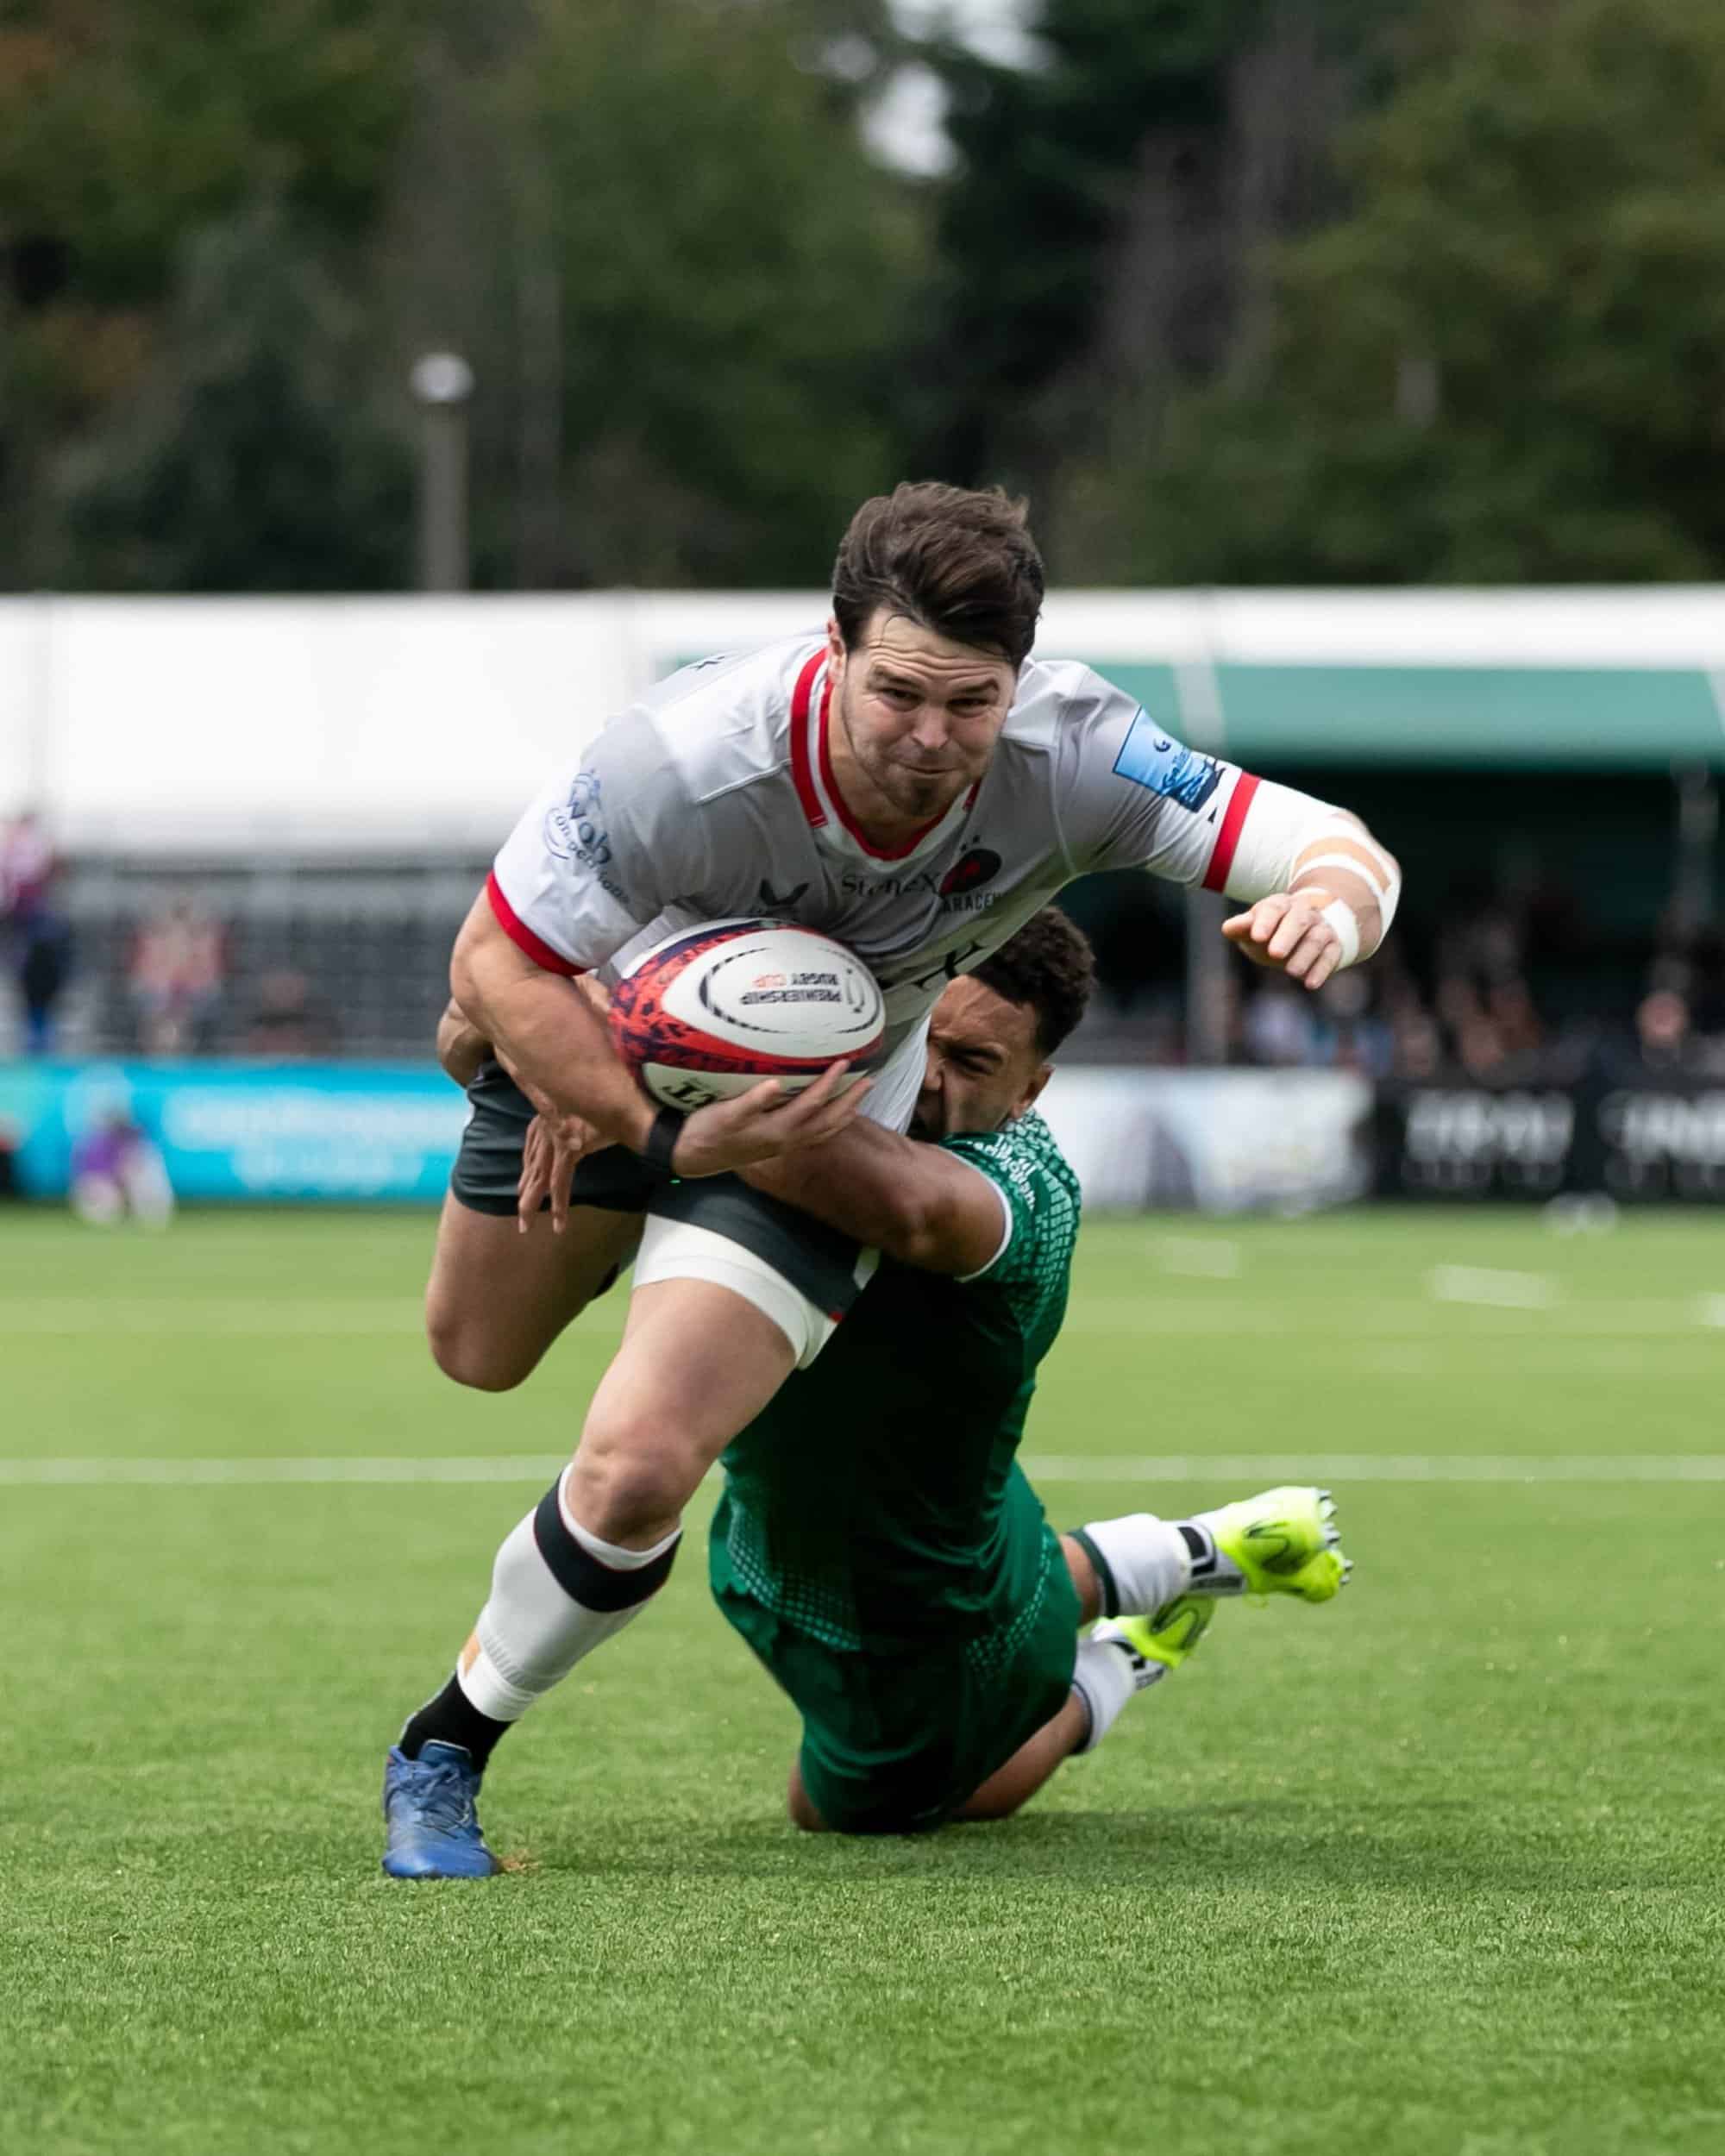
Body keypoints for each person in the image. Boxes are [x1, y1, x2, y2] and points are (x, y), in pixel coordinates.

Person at [390, 482, 1399, 1854]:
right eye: (900, 693)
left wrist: (1332, 903)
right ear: (834, 647)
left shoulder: (1089, 752)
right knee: (476, 1351)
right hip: (610, 1047)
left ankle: (443, 1753)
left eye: (970, 703)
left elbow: (1327, 838)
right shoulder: (682, 758)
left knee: (636, 1470)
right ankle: (1153, 1574)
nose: (930, 738)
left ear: (1020, 682)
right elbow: (495, 960)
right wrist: (638, 1115)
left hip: (816, 1116)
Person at [383, 911, 1348, 1871]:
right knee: (989, 1567)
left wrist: (626, 1068)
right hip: (862, 1540)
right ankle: (1195, 1549)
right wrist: (550, 1039)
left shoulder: (1026, 1184)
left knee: (850, 1805)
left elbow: (907, 1206)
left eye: (972, 1063)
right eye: (923, 1038)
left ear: (1032, 1089)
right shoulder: (821, 1079)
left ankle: (1123, 1659)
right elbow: (476, 1021)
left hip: (926, 1626)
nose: (927, 1080)